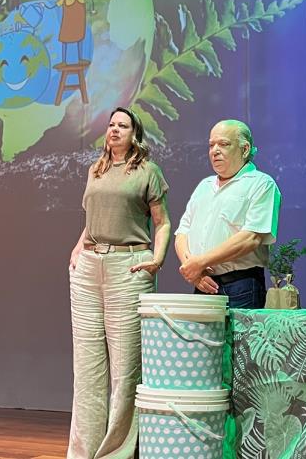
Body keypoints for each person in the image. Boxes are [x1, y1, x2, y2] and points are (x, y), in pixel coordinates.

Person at [67, 107, 171, 459]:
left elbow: (162, 222)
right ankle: (83, 451)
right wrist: (79, 247)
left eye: (122, 125)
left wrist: (156, 260)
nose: (114, 129)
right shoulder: (95, 170)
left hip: (128, 266)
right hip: (90, 267)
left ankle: (117, 453)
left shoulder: (147, 172)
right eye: (111, 124)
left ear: (134, 134)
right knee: (88, 369)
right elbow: (93, 219)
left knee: (126, 368)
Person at [175, 120, 281, 308]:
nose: (214, 150)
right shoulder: (204, 186)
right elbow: (183, 231)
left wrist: (200, 263)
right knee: (200, 339)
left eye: (223, 144)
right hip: (203, 283)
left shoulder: (261, 184)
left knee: (240, 338)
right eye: (211, 145)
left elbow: (251, 238)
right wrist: (193, 269)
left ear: (245, 149)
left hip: (240, 286)